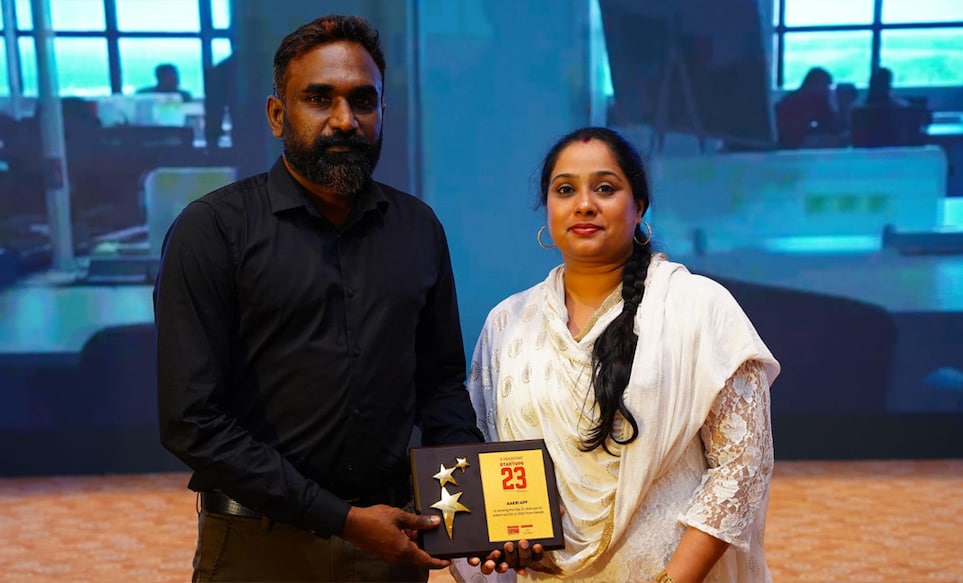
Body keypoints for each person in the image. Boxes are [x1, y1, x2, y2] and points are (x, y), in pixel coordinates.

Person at [154, 14, 484, 582]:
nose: (344, 121)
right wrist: (343, 520)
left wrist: (479, 517)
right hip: (260, 545)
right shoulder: (212, 229)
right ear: (277, 113)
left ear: (382, 111)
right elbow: (193, 422)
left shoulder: (417, 228)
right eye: (319, 99)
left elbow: (440, 387)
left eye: (363, 101)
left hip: (391, 543)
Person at [455, 127, 780, 583]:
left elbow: (742, 465)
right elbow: (490, 456)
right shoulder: (508, 323)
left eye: (605, 188)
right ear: (547, 209)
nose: (584, 204)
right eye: (565, 189)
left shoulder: (699, 306)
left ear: (639, 206)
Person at [774, 67, 839, 148]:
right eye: (826, 85)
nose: (827, 89)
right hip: (797, 146)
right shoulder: (816, 101)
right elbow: (834, 127)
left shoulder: (789, 99)